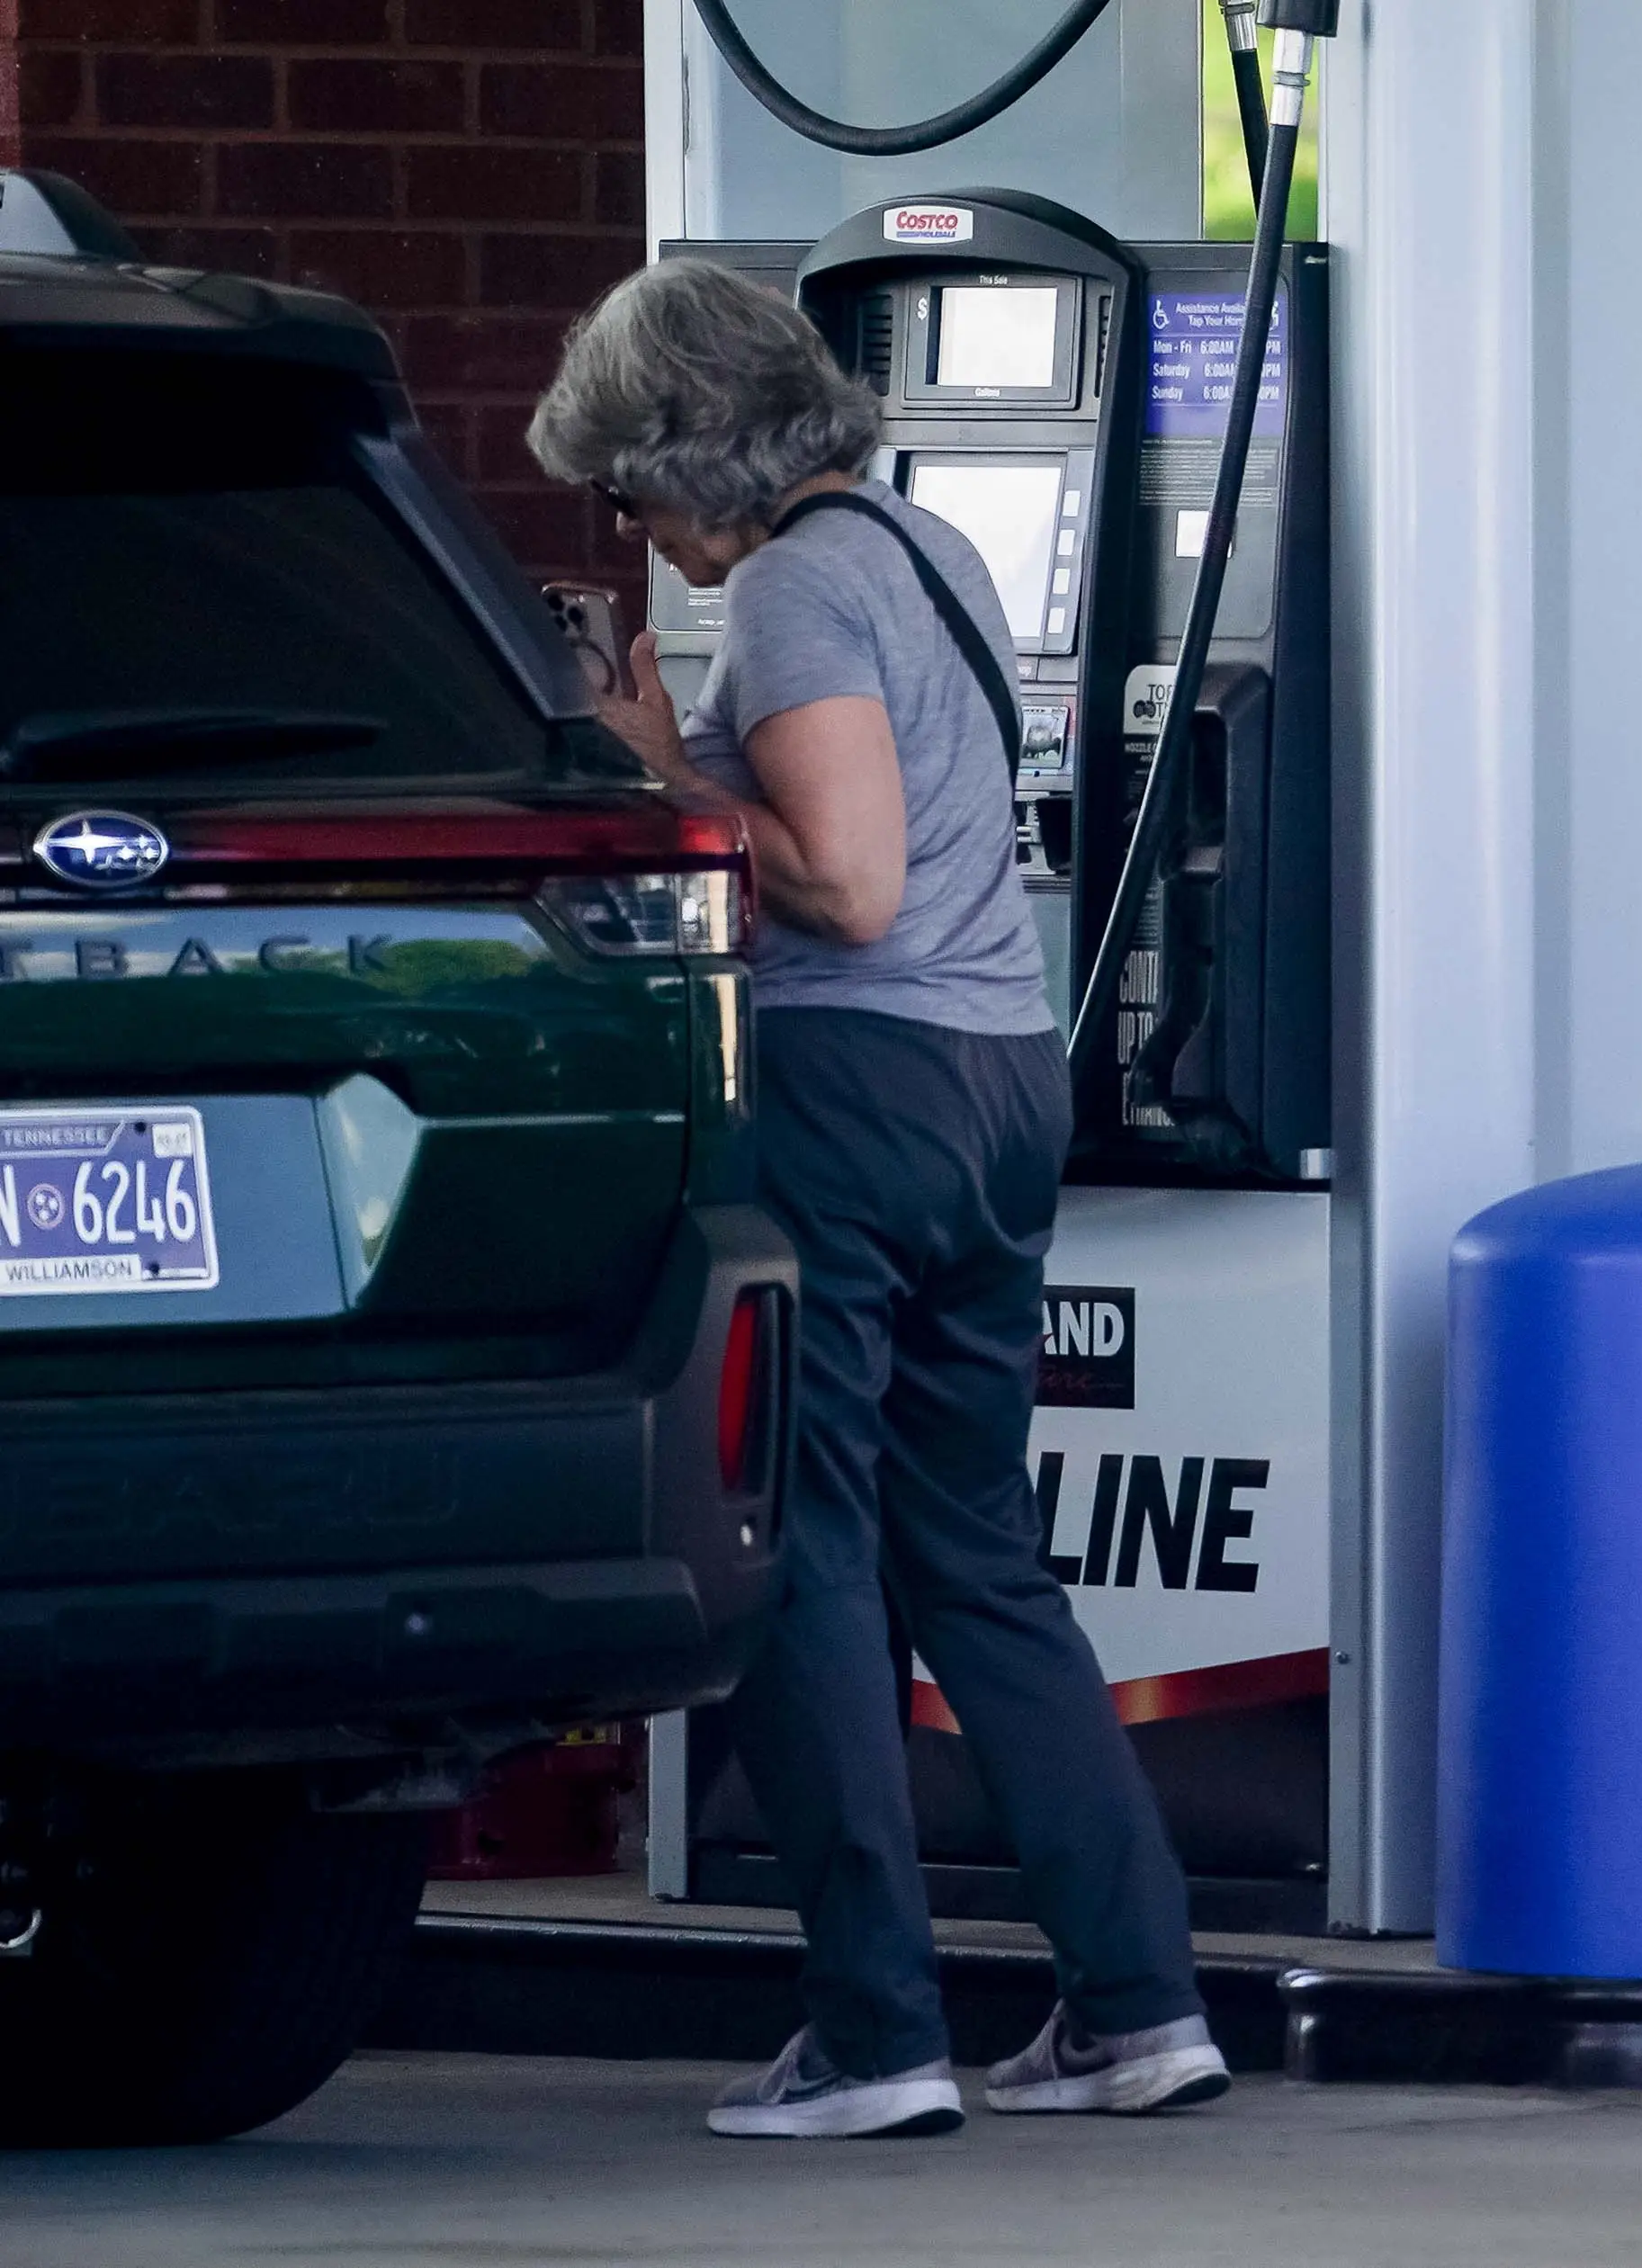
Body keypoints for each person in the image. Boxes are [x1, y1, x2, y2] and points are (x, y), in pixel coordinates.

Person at [528, 261, 1227, 2139]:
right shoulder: (934, 548)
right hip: (998, 1080)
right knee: (978, 1550)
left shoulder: (794, 585)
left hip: (853, 1090)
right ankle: (1135, 2002)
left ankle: (872, 2031)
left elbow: (844, 885)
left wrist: (648, 764)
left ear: (697, 451)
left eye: (632, 489)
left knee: (808, 1550)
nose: (637, 532)